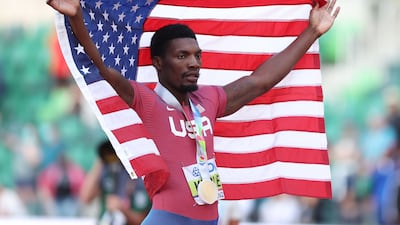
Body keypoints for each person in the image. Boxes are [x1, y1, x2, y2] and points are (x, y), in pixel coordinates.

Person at [47, 0, 340, 224]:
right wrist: (76, 17)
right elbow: (105, 69)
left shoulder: (209, 100)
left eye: (197, 56)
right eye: (182, 56)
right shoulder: (148, 101)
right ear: (159, 63)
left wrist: (312, 31)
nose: (194, 63)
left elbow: (259, 81)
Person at [79, 140, 151, 225]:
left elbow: (142, 220)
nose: (113, 155)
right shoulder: (107, 170)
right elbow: (86, 197)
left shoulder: (140, 177)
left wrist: (121, 209)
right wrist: (101, 160)